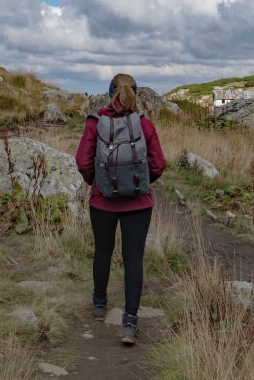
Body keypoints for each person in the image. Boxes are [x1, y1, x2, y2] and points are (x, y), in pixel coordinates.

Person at [75, 73, 166, 346]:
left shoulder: (95, 123)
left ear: (109, 92)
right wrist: (141, 185)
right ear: (134, 94)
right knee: (134, 259)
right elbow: (159, 164)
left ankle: (100, 304)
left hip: (102, 202)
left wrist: (97, 183)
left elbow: (82, 161)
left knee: (103, 251)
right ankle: (129, 322)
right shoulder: (144, 125)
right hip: (139, 204)